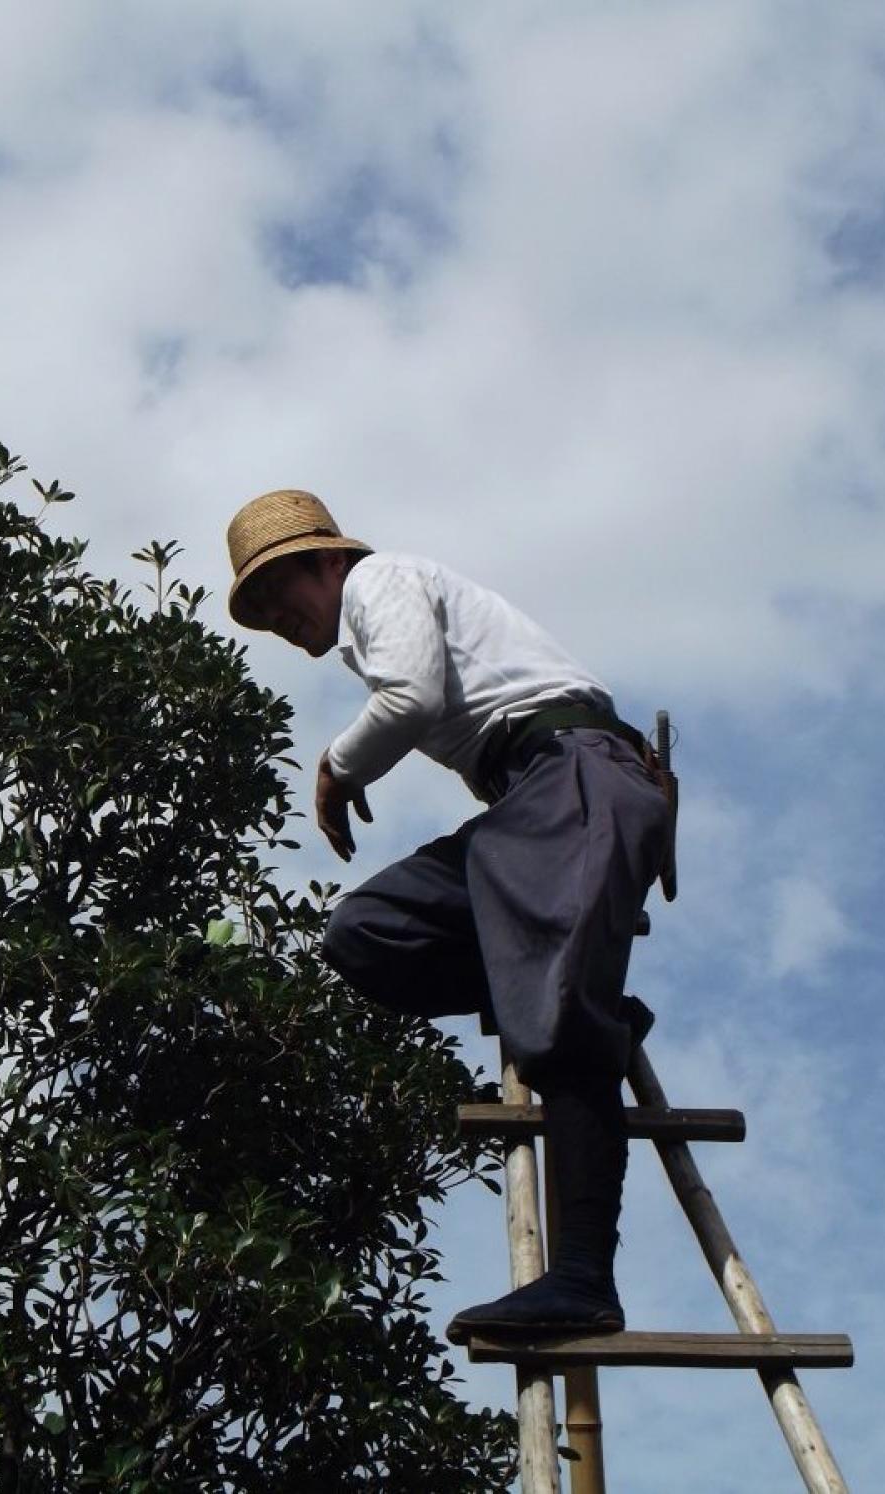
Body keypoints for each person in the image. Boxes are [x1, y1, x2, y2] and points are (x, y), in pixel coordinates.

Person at [224, 488, 674, 1339]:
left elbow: (412, 699)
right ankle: (574, 1000)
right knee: (366, 931)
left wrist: (337, 767)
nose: (277, 615)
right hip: (531, 802)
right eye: (260, 606)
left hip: (573, 776)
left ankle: (581, 1278)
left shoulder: (380, 580)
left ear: (329, 559)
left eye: (281, 587)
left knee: (561, 1026)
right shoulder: (372, 612)